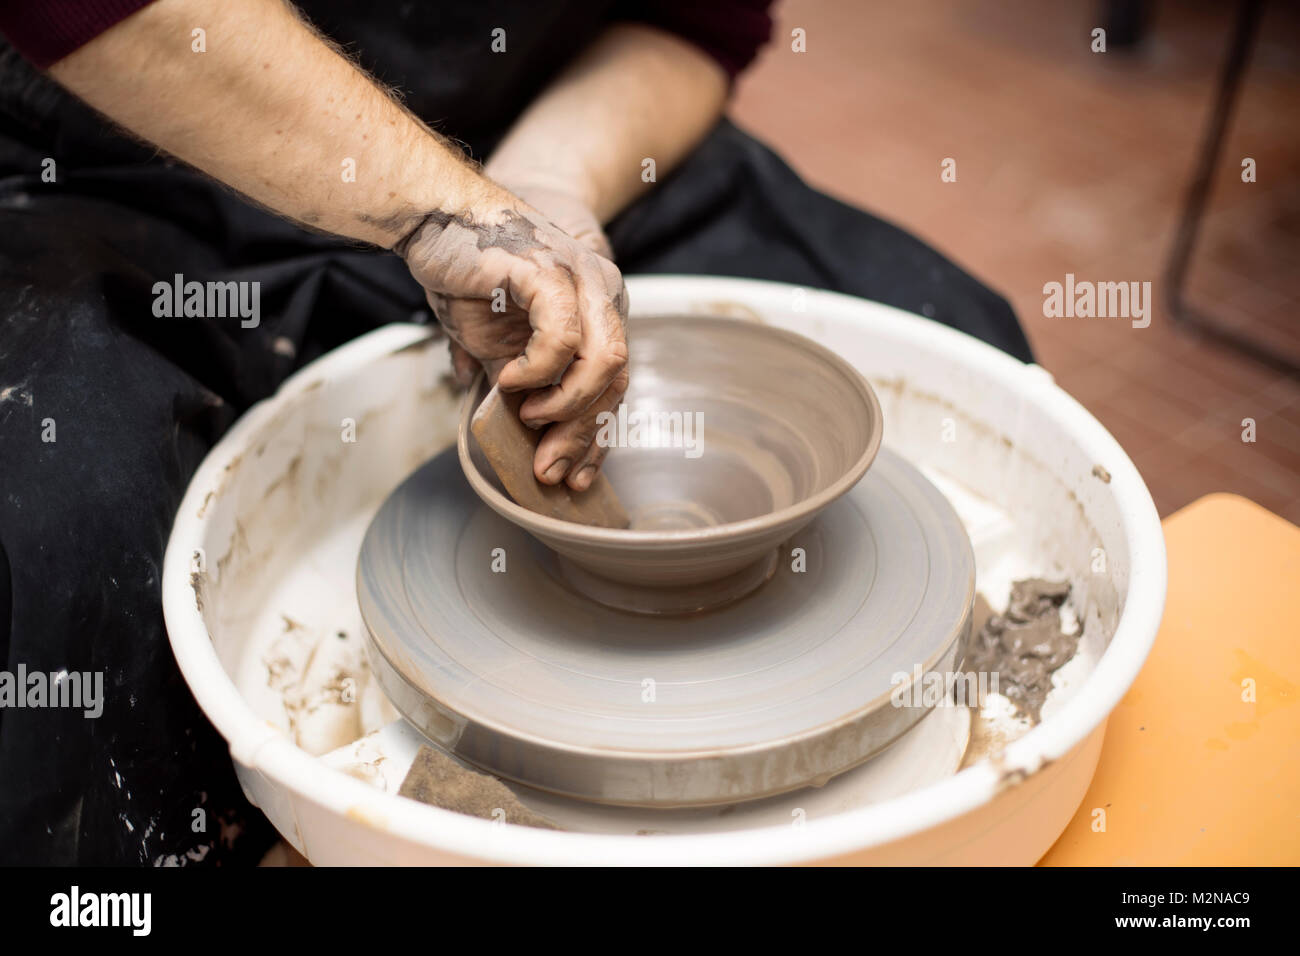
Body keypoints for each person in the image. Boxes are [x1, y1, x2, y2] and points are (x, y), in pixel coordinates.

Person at [0, 0, 1032, 864]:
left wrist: (542, 194)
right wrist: (440, 213)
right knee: (61, 537)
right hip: (146, 154)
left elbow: (697, 21)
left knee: (961, 331)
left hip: (546, 144)